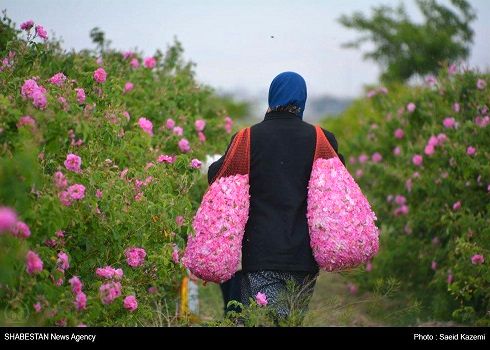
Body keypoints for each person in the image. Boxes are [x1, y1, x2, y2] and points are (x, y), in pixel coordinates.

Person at [207, 72, 344, 322]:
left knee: (262, 320)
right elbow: (338, 184)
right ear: (302, 98)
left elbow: (215, 176)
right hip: (304, 258)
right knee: (290, 321)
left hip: (259, 254)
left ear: (272, 96)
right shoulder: (322, 139)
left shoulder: (247, 138)